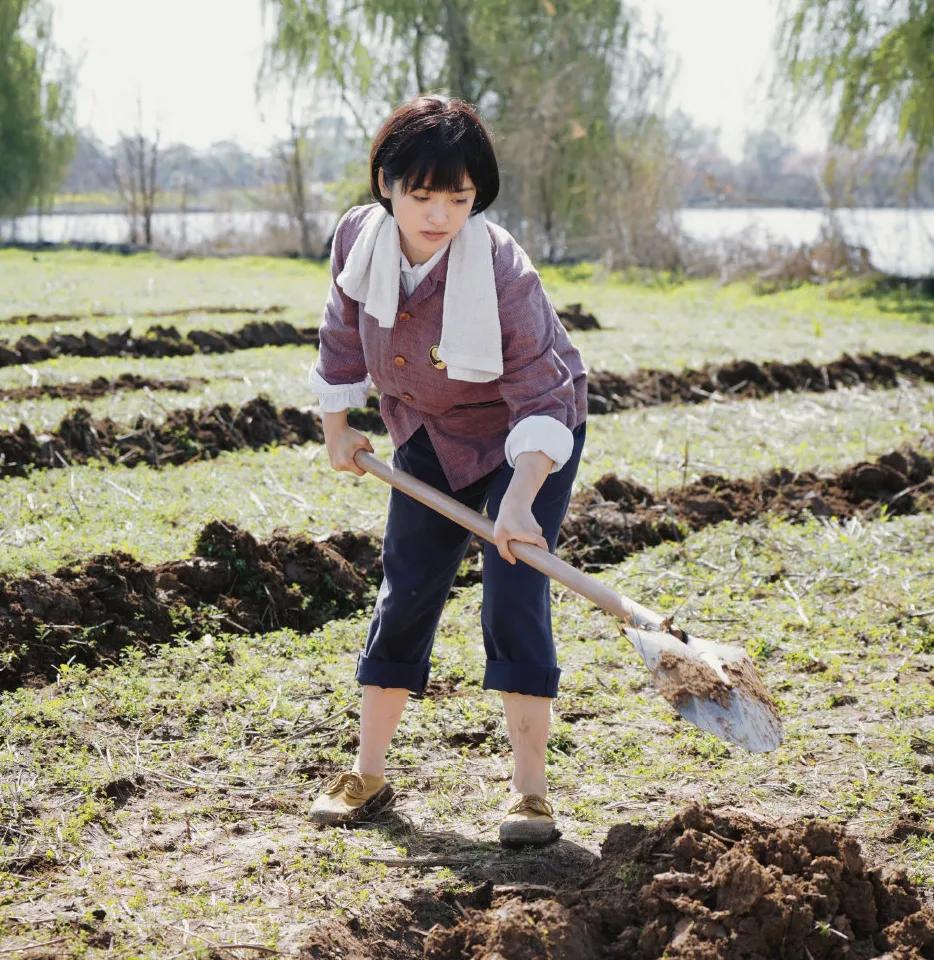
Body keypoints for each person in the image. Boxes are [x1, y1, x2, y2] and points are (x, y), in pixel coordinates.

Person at [306, 94, 588, 847]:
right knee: (408, 583)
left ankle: (529, 794)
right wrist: (338, 423)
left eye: (458, 198)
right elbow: (341, 330)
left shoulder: (501, 268)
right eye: (421, 195)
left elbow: (542, 390)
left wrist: (520, 500)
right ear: (387, 186)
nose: (438, 215)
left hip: (529, 437)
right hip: (429, 431)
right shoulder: (357, 241)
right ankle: (366, 770)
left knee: (514, 588)